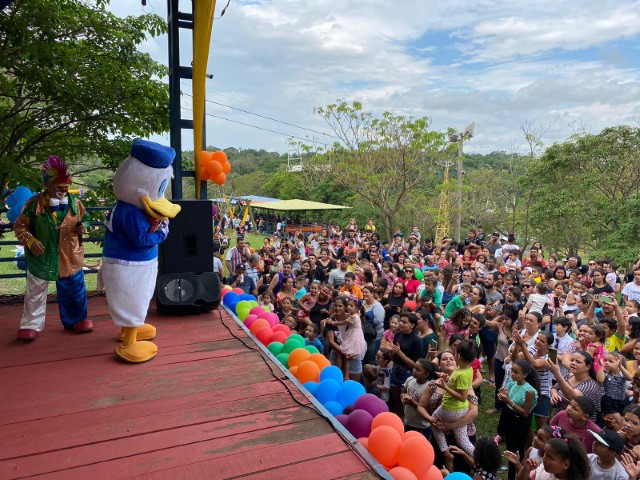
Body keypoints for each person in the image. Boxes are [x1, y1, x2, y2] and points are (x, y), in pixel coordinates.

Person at [14, 155, 93, 340]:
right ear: (48, 185)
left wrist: (84, 226)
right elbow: (19, 226)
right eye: (60, 187)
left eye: (66, 187)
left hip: (69, 256)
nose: (64, 191)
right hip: (41, 256)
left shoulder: (76, 203)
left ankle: (77, 320)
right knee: (35, 291)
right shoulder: (33, 205)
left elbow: (86, 219)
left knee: (74, 289)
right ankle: (30, 325)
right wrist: (31, 241)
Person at [431, 339, 478, 470]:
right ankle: (479, 460)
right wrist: (447, 378)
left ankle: (445, 451)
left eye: (453, 356)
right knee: (462, 441)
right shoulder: (465, 368)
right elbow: (454, 380)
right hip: (459, 411)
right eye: (444, 359)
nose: (450, 360)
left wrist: (445, 387)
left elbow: (463, 398)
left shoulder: (462, 374)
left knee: (434, 420)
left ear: (458, 356)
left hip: (451, 410)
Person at [496, 359, 540, 480]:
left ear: (525, 375)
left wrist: (508, 401)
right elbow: (509, 401)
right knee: (510, 448)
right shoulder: (511, 383)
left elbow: (525, 413)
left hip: (520, 424)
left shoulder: (529, 391)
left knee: (517, 451)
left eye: (516, 372)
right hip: (510, 420)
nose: (513, 374)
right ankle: (511, 474)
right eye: (512, 371)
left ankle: (517, 474)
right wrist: (504, 396)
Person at [548, 350, 605, 421]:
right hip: (559, 419)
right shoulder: (570, 376)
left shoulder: (590, 385)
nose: (573, 363)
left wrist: (556, 373)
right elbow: (555, 387)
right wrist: (554, 394)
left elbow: (572, 397)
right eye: (572, 360)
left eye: (578, 362)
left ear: (588, 367)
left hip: (577, 426)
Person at [516, 434, 591, 480]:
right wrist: (526, 470)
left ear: (565, 464)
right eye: (545, 453)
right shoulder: (542, 469)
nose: (544, 459)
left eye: (550, 457)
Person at [327, 297, 367, 380]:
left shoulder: (352, 317)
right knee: (340, 355)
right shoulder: (331, 318)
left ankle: (345, 377)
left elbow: (343, 322)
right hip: (339, 350)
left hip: (354, 345)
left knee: (354, 377)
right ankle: (342, 375)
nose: (337, 308)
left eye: (340, 306)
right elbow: (331, 341)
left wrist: (333, 323)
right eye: (335, 305)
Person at [401, 359, 435, 438]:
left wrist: (412, 402)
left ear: (426, 374)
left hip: (421, 426)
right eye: (414, 368)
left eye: (418, 370)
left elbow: (428, 411)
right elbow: (403, 392)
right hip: (408, 422)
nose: (414, 371)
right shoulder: (410, 380)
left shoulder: (428, 387)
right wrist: (403, 397)